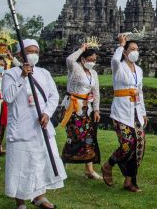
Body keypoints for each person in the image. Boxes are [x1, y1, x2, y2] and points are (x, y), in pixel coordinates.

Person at [2, 39, 66, 209]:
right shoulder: (11, 74)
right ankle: (21, 202)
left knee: (41, 160)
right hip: (21, 127)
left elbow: (53, 96)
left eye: (36, 51)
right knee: (21, 164)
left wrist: (46, 113)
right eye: (29, 51)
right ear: (19, 55)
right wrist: (22, 76)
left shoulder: (44, 73)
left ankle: (40, 196)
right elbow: (8, 97)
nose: (33, 55)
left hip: (41, 125)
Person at [101, 34, 147, 193]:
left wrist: (143, 111)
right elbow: (114, 60)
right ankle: (108, 165)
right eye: (132, 49)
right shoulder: (118, 66)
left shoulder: (139, 70)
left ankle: (129, 181)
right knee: (128, 145)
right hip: (121, 111)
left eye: (137, 49)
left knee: (140, 146)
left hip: (136, 112)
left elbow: (140, 91)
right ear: (125, 52)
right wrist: (121, 45)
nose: (136, 52)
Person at [60, 43, 101, 179]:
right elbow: (69, 60)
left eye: (94, 60)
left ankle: (89, 169)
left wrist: (96, 110)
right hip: (72, 107)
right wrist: (81, 49)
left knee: (89, 137)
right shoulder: (75, 68)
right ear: (83, 59)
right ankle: (62, 165)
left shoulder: (93, 73)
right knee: (75, 136)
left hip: (86, 109)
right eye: (90, 59)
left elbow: (96, 92)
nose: (92, 62)